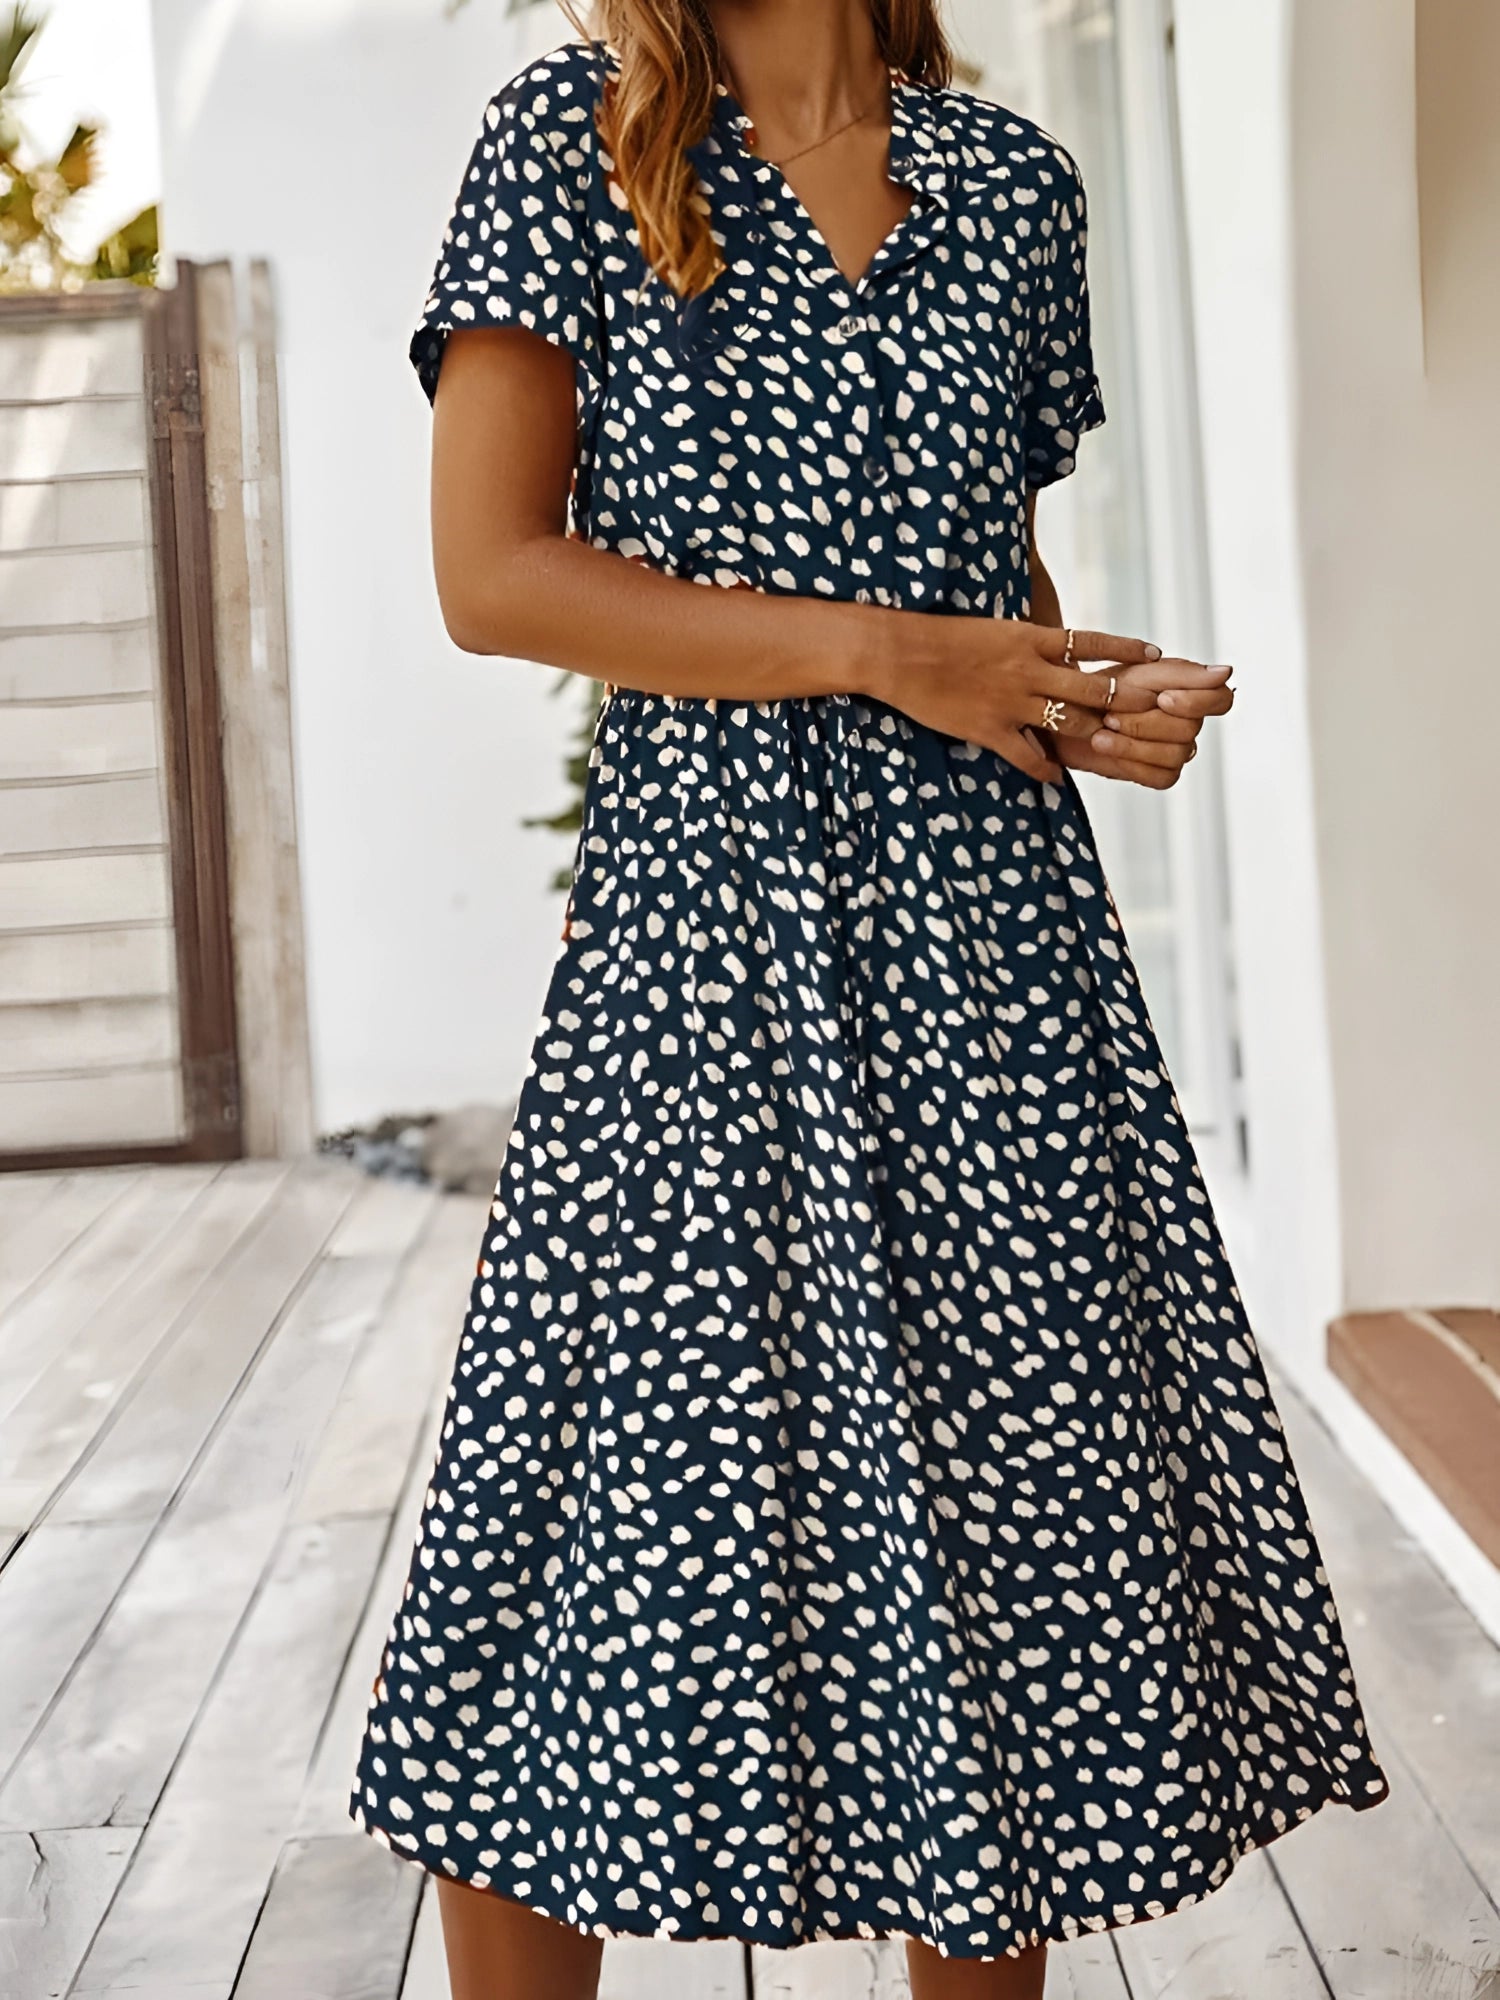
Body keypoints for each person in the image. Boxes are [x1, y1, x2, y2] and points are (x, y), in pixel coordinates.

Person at [349, 3, 1390, 1994]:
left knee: (998, 1531)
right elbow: (491, 576)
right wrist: (885, 654)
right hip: (702, 939)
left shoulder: (1012, 183)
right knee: (583, 1527)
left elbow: (992, 594)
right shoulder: (574, 138)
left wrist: (1085, 701)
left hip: (993, 952)